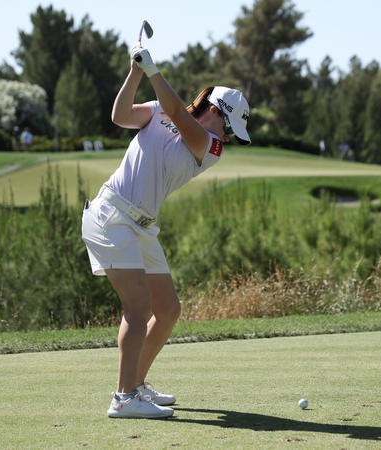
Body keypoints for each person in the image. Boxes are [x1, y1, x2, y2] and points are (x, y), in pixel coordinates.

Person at [81, 44, 251, 419]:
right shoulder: (157, 111)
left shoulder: (211, 146)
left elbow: (176, 110)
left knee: (168, 309)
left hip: (140, 226)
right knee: (138, 307)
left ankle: (135, 385)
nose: (229, 135)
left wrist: (153, 68)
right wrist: (137, 72)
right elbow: (120, 114)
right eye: (229, 124)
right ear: (214, 111)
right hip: (111, 215)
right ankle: (124, 398)